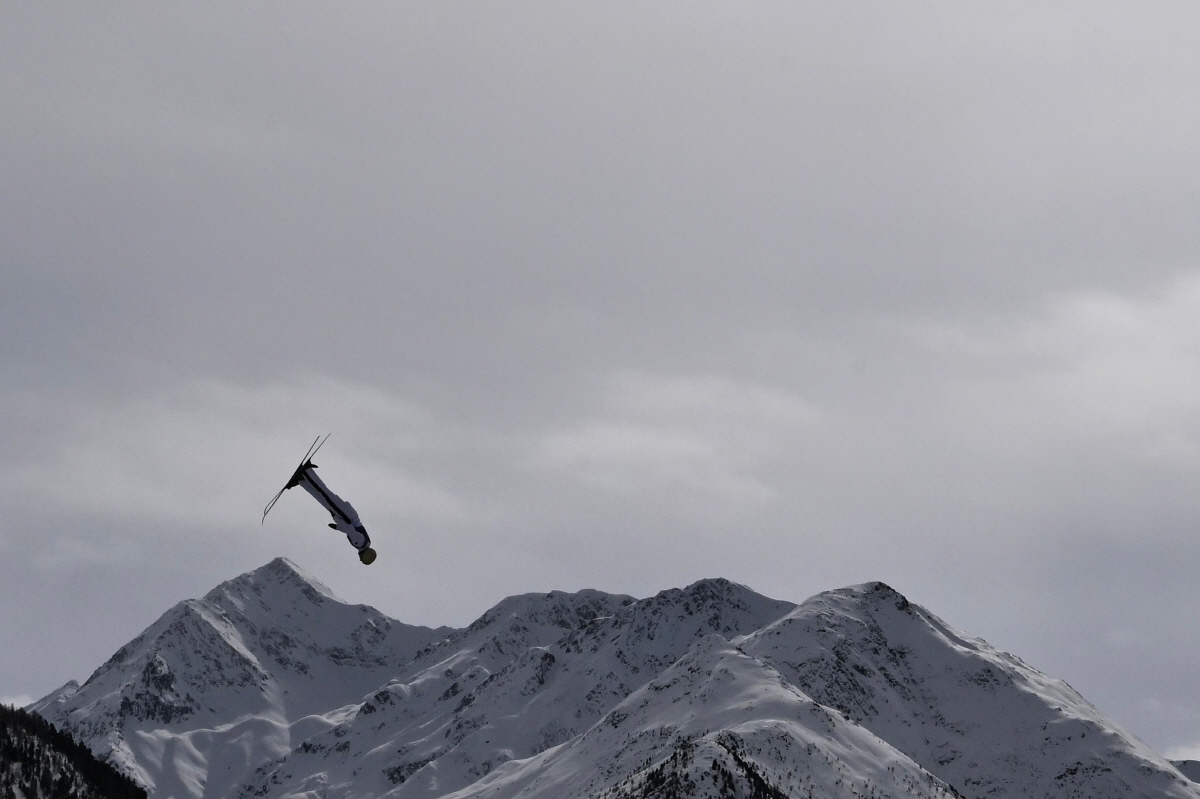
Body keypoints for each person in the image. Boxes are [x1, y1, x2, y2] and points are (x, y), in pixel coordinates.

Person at [285, 459, 377, 565]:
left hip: (347, 515)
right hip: (345, 516)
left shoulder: (365, 543)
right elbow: (350, 529)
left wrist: (338, 528)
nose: (360, 559)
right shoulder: (360, 544)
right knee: (325, 495)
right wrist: (339, 523)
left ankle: (302, 480)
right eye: (363, 560)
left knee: (323, 498)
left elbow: (352, 530)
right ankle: (307, 472)